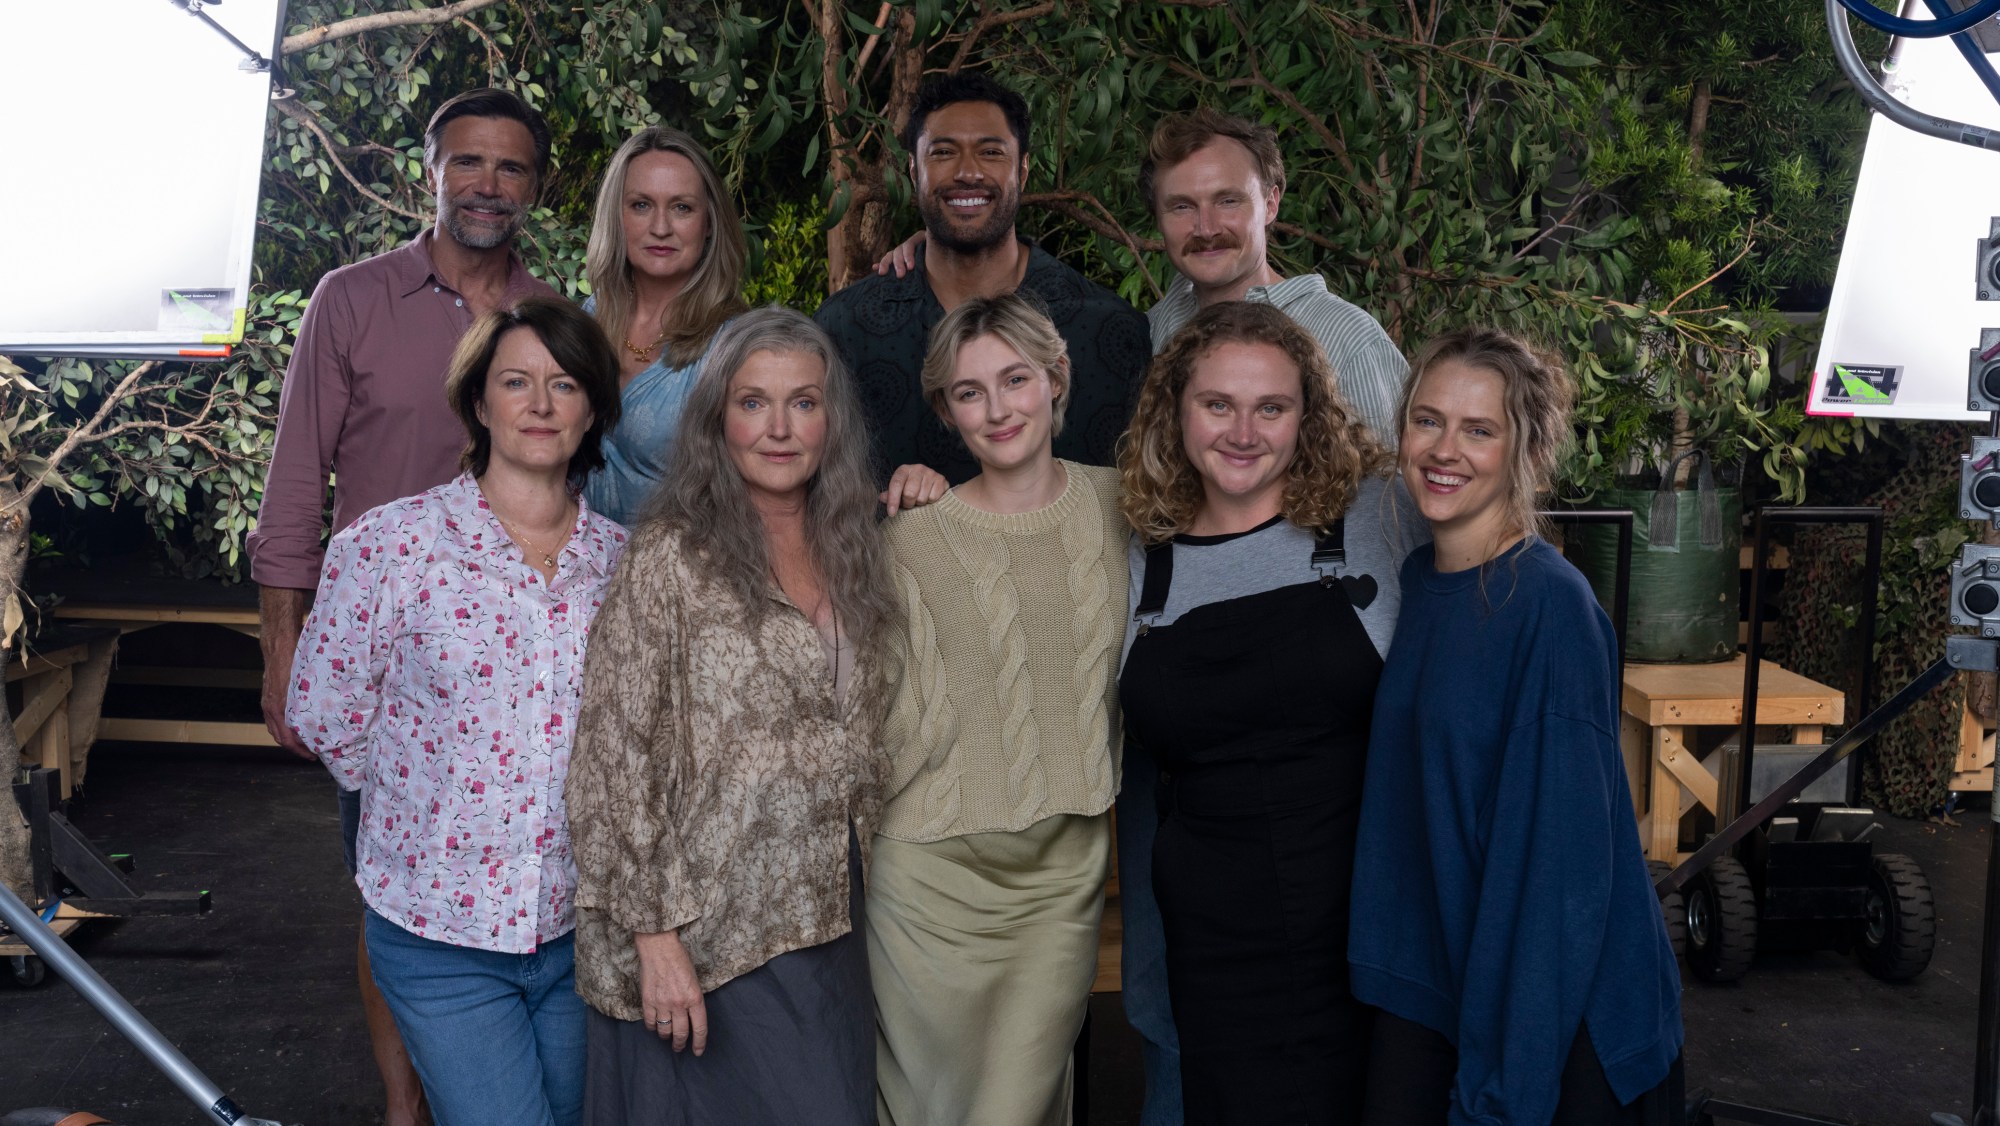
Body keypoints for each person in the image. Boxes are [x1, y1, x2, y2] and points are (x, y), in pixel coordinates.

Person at [249, 87, 561, 1126]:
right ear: (427, 174)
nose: (486, 184)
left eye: (509, 168)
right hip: (385, 655)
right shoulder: (353, 299)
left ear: (535, 189)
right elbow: (297, 481)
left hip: (514, 658)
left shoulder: (551, 315)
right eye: (466, 162)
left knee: (507, 883)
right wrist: (282, 646)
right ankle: (403, 1108)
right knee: (391, 882)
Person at [287, 297, 627, 1126]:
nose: (541, 405)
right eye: (516, 382)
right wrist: (430, 796)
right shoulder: (387, 547)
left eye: (565, 384)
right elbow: (325, 711)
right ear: (480, 403)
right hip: (439, 933)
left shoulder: (627, 564)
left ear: (593, 410)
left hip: (583, 930)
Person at [565, 307, 899, 1125]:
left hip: (829, 912)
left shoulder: (861, 549)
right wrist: (655, 941)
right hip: (706, 933)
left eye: (804, 402)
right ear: (719, 419)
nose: (779, 428)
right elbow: (612, 760)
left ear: (833, 419)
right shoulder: (670, 557)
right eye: (753, 403)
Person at [1349, 328, 1683, 1126]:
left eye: (1479, 429)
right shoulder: (1417, 582)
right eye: (1427, 420)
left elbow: (1557, 885)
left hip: (1556, 1028)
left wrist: (1505, 1094)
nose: (1444, 449)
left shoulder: (1550, 610)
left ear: (1525, 448)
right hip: (1446, 987)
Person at [1116, 301, 1425, 1124]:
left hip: (1357, 915)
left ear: (1308, 416)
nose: (1243, 431)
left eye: (1272, 408)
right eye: (1218, 405)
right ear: (1174, 412)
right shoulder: (1136, 552)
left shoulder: (1381, 517)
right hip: (1209, 928)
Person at [869, 293, 1128, 1125]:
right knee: (918, 1110)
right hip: (925, 874)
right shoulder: (910, 534)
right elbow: (873, 707)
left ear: (1057, 380)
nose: (998, 408)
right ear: (946, 412)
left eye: (1016, 379)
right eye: (969, 393)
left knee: (1014, 1108)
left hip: (1060, 874)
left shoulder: (1128, 510)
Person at [815, 72, 1151, 485]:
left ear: (1022, 170)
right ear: (913, 170)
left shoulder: (1110, 330)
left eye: (991, 152)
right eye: (943, 153)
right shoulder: (843, 332)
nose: (967, 172)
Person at [579, 126, 750, 525]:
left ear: (709, 223)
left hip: (677, 575)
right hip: (569, 572)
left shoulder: (736, 346)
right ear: (616, 216)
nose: (660, 227)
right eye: (640, 205)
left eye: (681, 208)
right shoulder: (584, 320)